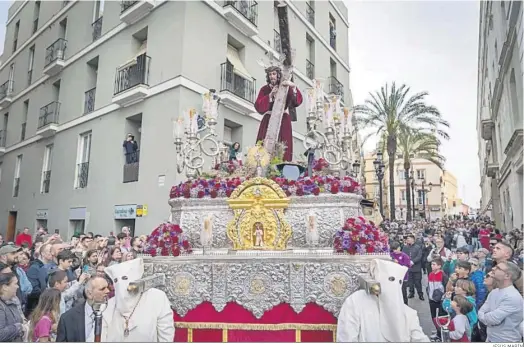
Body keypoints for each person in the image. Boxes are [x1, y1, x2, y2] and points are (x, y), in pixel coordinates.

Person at [336, 258, 429, 342]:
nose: (392, 287)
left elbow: (420, 339)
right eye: (390, 280)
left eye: (397, 282)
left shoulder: (408, 313)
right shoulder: (356, 302)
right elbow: (347, 338)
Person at [101, 258, 174, 342]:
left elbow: (166, 336)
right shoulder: (108, 306)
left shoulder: (157, 298)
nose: (120, 284)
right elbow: (98, 338)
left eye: (125, 278)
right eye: (116, 280)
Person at [254, 65, 303, 162]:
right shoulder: (264, 89)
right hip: (268, 118)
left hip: (283, 119)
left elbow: (296, 102)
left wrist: (293, 87)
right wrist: (270, 95)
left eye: (274, 74)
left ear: (278, 75)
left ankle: (283, 165)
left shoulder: (285, 87)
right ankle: (262, 164)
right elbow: (258, 106)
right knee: (264, 143)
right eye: (270, 74)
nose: (272, 76)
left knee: (284, 144)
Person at [478, 261, 523, 342]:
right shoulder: (494, 292)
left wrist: (485, 317)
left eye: (498, 268)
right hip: (490, 339)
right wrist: (485, 317)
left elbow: (493, 319)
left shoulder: (512, 296)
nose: (493, 268)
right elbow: (481, 312)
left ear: (507, 276)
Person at [56, 275, 111, 342]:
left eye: (107, 287)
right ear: (89, 294)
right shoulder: (67, 318)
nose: (107, 291)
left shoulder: (113, 314)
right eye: (102, 289)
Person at [0, 273, 25, 342]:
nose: (18, 286)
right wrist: (20, 327)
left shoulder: (14, 300)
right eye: (15, 284)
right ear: (5, 287)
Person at [402, 234, 424, 300]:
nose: (407, 240)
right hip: (408, 268)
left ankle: (420, 294)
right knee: (410, 282)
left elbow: (419, 256)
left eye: (409, 238)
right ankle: (411, 293)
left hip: (416, 267)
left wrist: (413, 261)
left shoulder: (418, 247)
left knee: (418, 282)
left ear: (413, 239)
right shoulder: (405, 247)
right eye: (407, 239)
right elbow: (403, 255)